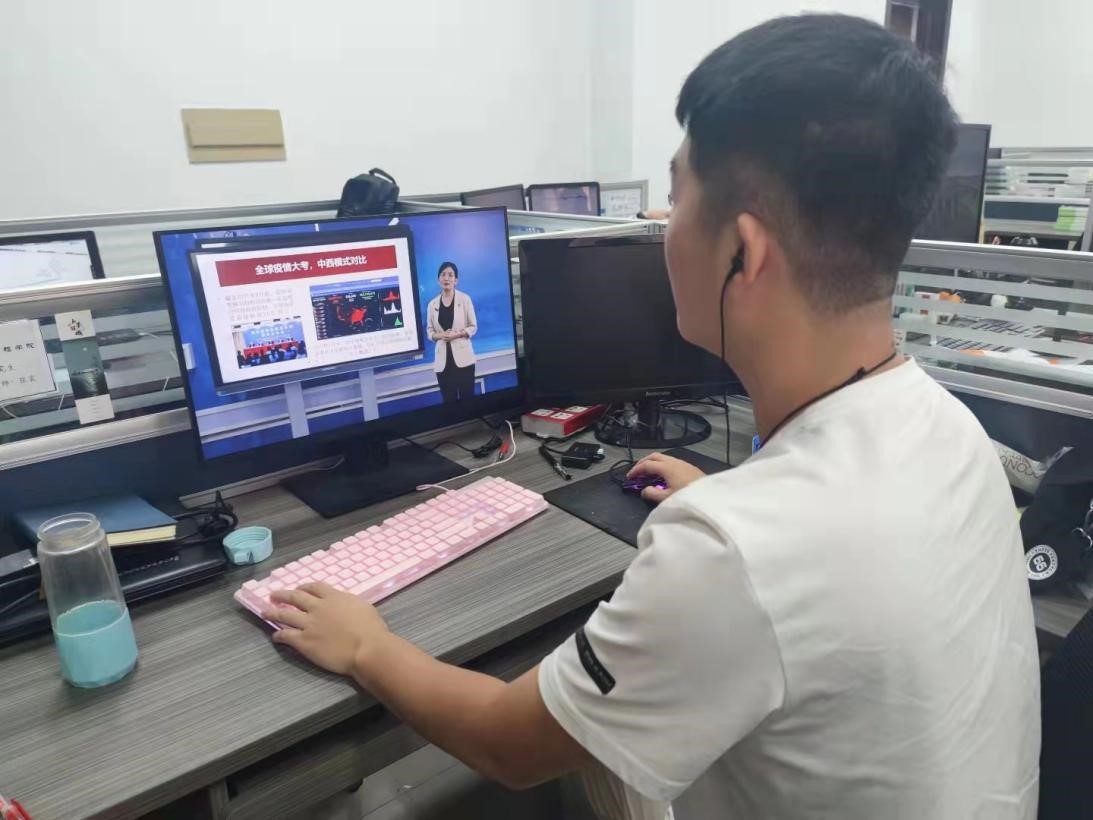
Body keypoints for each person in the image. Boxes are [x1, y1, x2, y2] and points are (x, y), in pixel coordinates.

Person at [261, 14, 1040, 819]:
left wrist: (367, 644)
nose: (662, 227)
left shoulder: (738, 552)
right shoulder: (946, 428)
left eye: (674, 196)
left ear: (741, 253)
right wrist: (725, 505)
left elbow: (507, 745)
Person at [426, 261, 478, 402]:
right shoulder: (432, 304)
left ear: (456, 280)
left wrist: (458, 334)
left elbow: (473, 327)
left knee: (468, 401)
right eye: (443, 275)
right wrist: (441, 335)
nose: (446, 278)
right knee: (449, 403)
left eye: (450, 275)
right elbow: (430, 332)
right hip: (443, 364)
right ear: (438, 280)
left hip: (464, 361)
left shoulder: (465, 299)